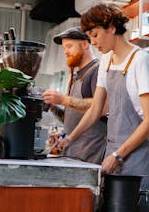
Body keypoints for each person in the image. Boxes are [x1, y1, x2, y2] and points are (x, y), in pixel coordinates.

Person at [59, 4, 149, 212]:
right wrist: (70, 138)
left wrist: (119, 155)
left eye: (94, 35)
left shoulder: (140, 61)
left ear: (111, 27)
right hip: (113, 152)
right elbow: (95, 109)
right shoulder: (106, 61)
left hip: (136, 155)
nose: (92, 42)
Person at [42, 27, 107, 164]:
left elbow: (101, 107)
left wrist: (63, 99)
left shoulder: (97, 71)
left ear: (84, 44)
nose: (66, 52)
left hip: (91, 154)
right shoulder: (76, 76)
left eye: (69, 46)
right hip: (73, 153)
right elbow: (71, 116)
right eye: (64, 48)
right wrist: (54, 106)